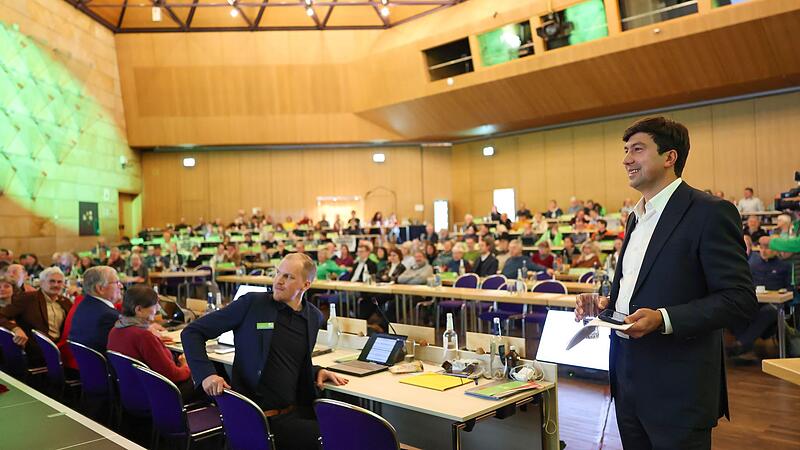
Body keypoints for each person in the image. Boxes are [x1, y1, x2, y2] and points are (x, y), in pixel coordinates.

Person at [575, 117, 757, 450]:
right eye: (626, 150)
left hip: (679, 388)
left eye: (638, 149)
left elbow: (739, 299)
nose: (626, 159)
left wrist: (664, 319)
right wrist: (608, 304)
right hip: (627, 381)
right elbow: (641, 288)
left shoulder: (709, 212)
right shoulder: (635, 217)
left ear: (670, 157)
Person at [182, 254, 347, 450]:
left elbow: (286, 360)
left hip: (295, 412)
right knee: (341, 440)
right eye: (278, 273)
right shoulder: (253, 304)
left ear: (306, 285)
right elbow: (192, 332)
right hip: (257, 417)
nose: (279, 281)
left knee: (349, 431)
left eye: (289, 277)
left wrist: (315, 370)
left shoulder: (313, 317)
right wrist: (206, 374)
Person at [108, 284, 197, 401]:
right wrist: (186, 365)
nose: (158, 309)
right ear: (138, 309)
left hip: (132, 392)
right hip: (159, 395)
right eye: (154, 305)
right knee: (208, 377)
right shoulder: (144, 337)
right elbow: (173, 375)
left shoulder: (115, 330)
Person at [729, 236, 792, 359]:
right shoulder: (752, 265)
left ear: (775, 249)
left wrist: (783, 292)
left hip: (775, 305)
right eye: (761, 247)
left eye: (767, 247)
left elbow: (791, 289)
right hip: (754, 303)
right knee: (735, 309)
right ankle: (744, 346)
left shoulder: (785, 266)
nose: (763, 250)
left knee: (770, 311)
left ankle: (742, 344)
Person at [0, 267, 72, 366]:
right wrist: (15, 329)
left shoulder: (65, 302)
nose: (56, 285)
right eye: (52, 281)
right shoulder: (27, 299)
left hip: (62, 349)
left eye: (59, 282)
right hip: (37, 351)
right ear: (42, 283)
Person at [67, 266, 122, 355]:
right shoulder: (109, 316)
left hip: (86, 366)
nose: (121, 286)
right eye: (117, 282)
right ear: (100, 289)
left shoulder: (83, 305)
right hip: (106, 367)